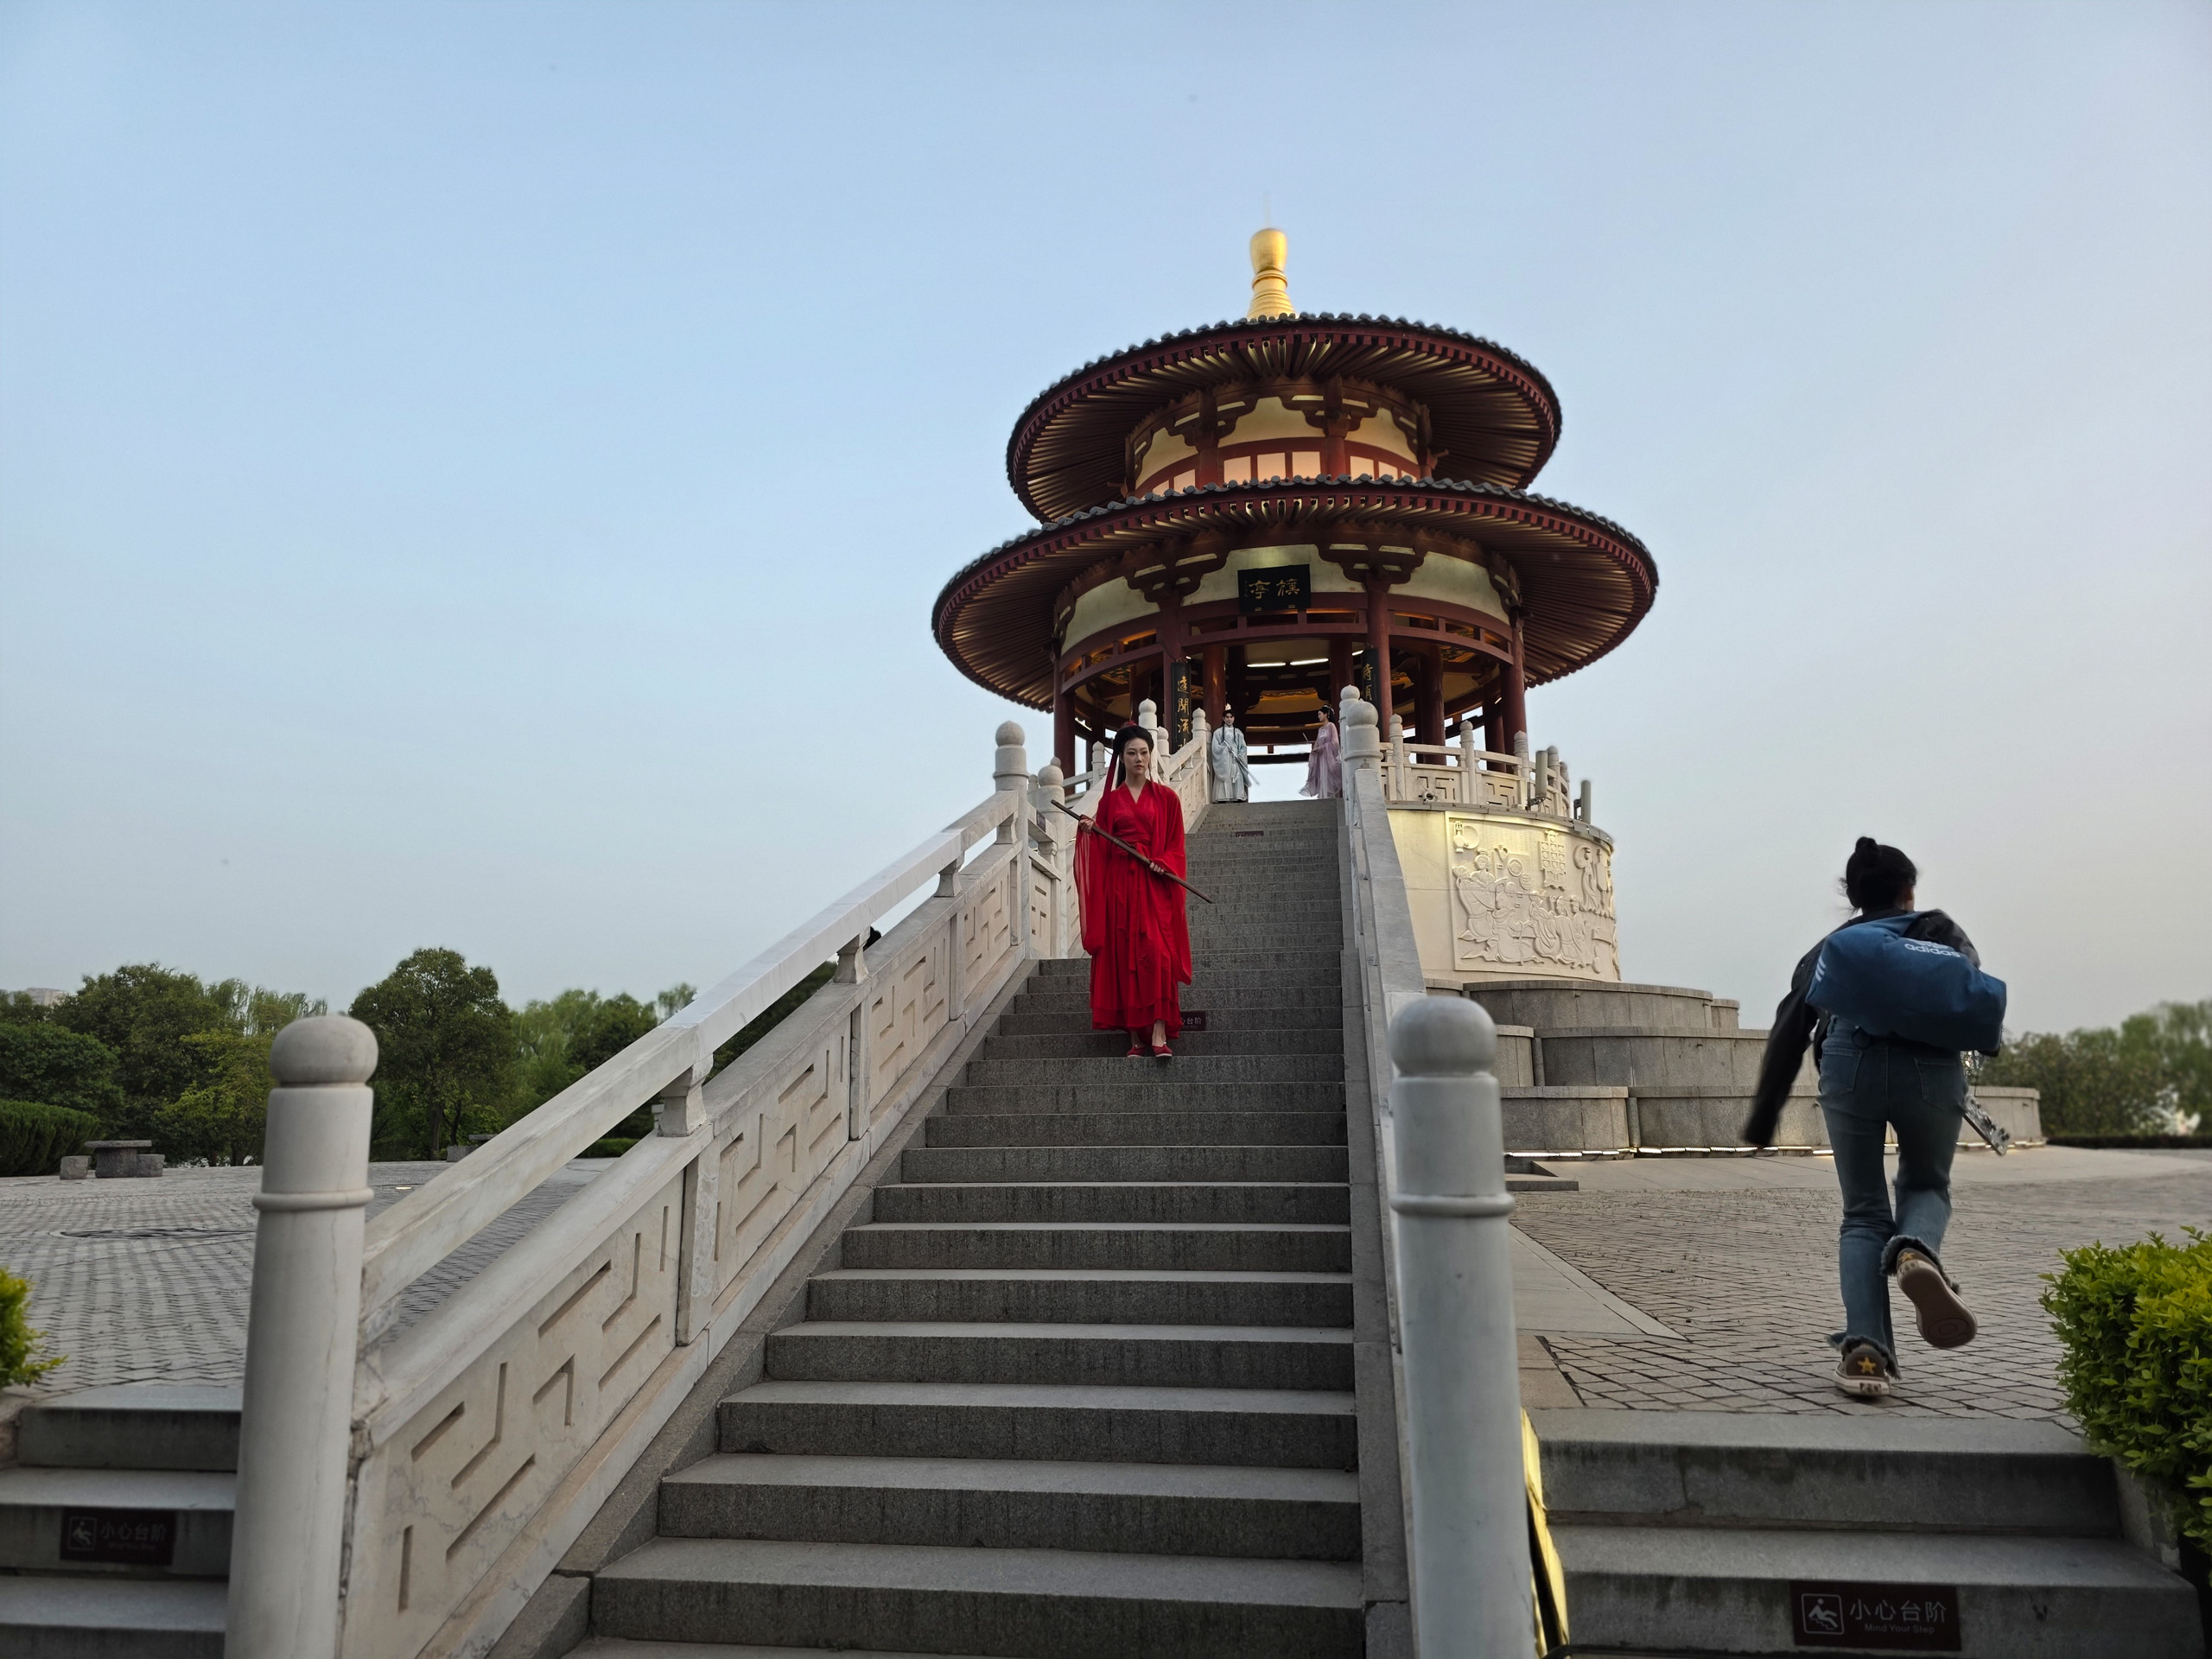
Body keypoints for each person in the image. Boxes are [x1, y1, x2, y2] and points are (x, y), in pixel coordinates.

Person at [1746, 837, 1982, 1399]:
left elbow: (1790, 1029)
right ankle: (1915, 1249)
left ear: (1853, 897)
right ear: (1909, 892)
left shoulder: (1834, 948)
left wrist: (1763, 1116)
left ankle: (1866, 1355)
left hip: (1849, 1064)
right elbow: (1969, 991)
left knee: (1862, 1213)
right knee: (1925, 1184)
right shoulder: (1938, 930)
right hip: (1930, 1067)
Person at [1076, 726, 1192, 1058]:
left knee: (1158, 953)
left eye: (1144, 752)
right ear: (1121, 758)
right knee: (1123, 954)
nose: (1139, 758)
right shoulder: (1110, 802)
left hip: (1154, 885)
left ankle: (1159, 1031)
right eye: (1131, 753)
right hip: (1119, 887)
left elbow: (1176, 846)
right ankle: (1135, 1038)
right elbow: (1102, 846)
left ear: (1151, 755)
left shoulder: (1167, 799)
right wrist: (1090, 831)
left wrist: (1163, 862)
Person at [1209, 709, 1251, 803]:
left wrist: (1240, 755)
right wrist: (1225, 750)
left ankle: (1238, 796)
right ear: (1223, 718)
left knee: (1237, 776)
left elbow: (1243, 747)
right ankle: (1223, 797)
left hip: (1236, 758)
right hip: (1225, 759)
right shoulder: (1218, 732)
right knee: (1225, 776)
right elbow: (1215, 747)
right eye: (1227, 717)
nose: (1229, 719)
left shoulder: (1238, 732)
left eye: (1231, 717)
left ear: (1234, 718)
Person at [1301, 706, 1342, 798]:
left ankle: (1330, 799)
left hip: (1329, 759)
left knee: (1328, 778)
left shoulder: (1331, 726)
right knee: (1321, 778)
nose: (1318, 716)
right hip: (1320, 759)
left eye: (1320, 714)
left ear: (1326, 714)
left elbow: (1335, 743)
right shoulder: (1320, 730)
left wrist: (1322, 748)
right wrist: (1315, 749)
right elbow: (1317, 744)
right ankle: (1323, 798)